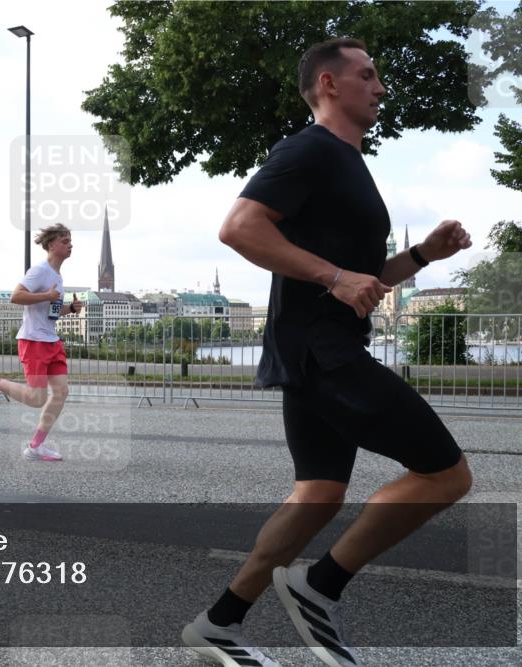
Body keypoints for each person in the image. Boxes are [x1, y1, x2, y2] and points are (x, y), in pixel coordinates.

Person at [181, 38, 473, 667]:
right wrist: (333, 278)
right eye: (367, 75)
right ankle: (321, 585)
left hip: (312, 349)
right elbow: (238, 227)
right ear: (329, 84)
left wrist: (422, 255)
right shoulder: (309, 149)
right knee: (447, 474)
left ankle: (218, 624)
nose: (381, 86)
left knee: (317, 495)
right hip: (323, 351)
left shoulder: (348, 163)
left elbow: (365, 279)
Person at [0, 223, 82, 461]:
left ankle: (35, 447)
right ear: (51, 245)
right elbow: (16, 296)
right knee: (36, 399)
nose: (70, 245)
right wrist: (47, 295)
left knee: (61, 392)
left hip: (51, 340)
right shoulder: (39, 271)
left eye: (70, 241)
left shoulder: (57, 276)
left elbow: (50, 311)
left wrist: (70, 308)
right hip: (34, 341)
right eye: (65, 241)